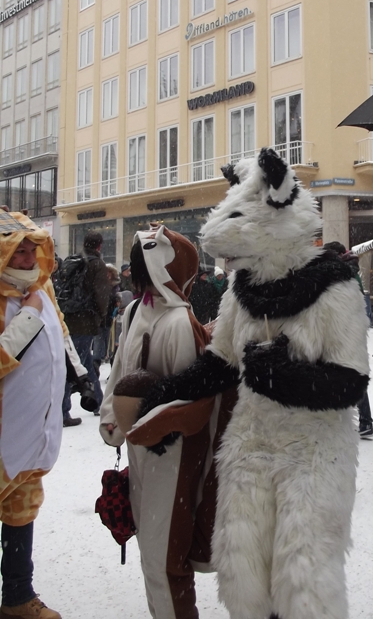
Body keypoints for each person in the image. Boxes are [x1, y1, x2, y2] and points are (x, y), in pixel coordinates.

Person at [100, 226, 229, 619]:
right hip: (142, 455)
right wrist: (112, 418)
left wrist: (152, 427)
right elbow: (119, 368)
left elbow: (192, 404)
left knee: (164, 559)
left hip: (170, 460)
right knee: (152, 554)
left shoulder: (178, 323)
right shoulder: (136, 310)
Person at [0, 211, 67, 619]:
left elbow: (60, 336)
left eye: (31, 249)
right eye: (17, 251)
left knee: (21, 514)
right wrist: (27, 315)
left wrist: (78, 377)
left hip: (34, 435)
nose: (26, 258)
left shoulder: (42, 289)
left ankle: (18, 597)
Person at [323, 241, 373, 438]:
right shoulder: (349, 271)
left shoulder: (343, 273)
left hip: (343, 330)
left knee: (348, 375)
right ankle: (363, 421)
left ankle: (361, 421)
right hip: (348, 329)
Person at [61, 232, 111, 421]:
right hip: (85, 321)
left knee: (85, 363)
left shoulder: (73, 260)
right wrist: (101, 315)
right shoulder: (96, 264)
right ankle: (63, 411)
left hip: (68, 318)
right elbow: (101, 294)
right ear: (99, 246)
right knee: (74, 365)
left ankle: (99, 403)